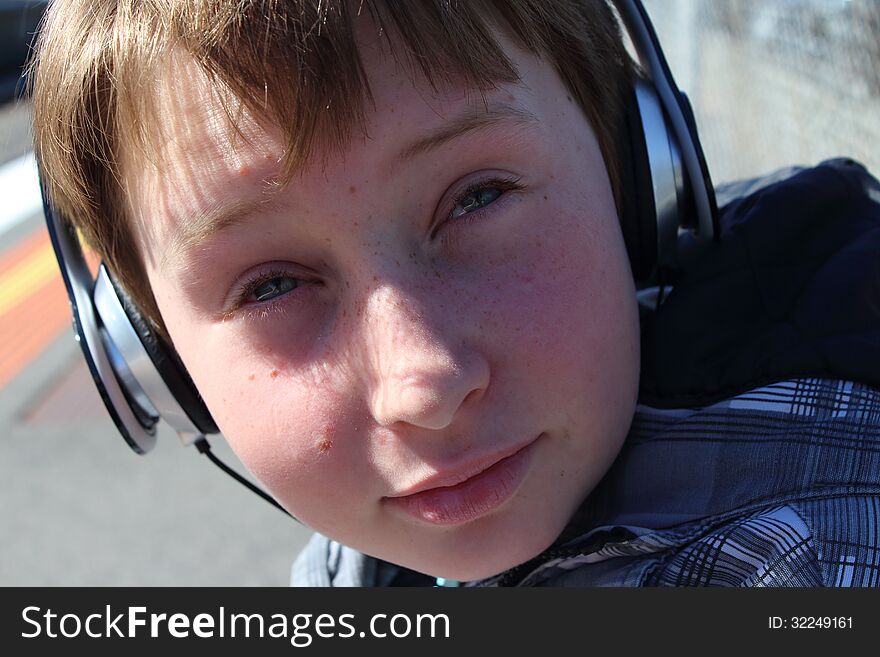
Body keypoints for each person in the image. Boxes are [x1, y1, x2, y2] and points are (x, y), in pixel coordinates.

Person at [31, 0, 880, 587]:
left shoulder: (807, 546)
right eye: (273, 285)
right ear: (155, 362)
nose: (425, 385)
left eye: (477, 198)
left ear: (641, 174)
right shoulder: (356, 563)